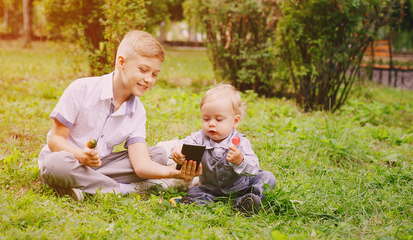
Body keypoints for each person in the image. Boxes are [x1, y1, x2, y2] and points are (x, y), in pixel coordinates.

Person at [38, 30, 201, 202]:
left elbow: (141, 165)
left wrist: (173, 173)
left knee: (158, 156)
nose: (149, 79)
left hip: (101, 166)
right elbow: (55, 140)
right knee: (55, 164)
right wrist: (80, 156)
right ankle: (127, 190)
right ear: (121, 63)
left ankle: (84, 186)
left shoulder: (138, 111)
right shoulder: (81, 89)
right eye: (143, 70)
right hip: (66, 159)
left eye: (154, 74)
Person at [171, 83, 276, 214]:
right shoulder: (199, 138)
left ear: (235, 121)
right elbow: (184, 144)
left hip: (240, 188)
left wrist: (240, 160)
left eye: (219, 119)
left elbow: (253, 168)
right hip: (208, 189)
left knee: (267, 177)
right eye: (206, 118)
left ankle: (247, 200)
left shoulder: (240, 142)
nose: (211, 124)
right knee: (194, 190)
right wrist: (177, 150)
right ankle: (198, 204)